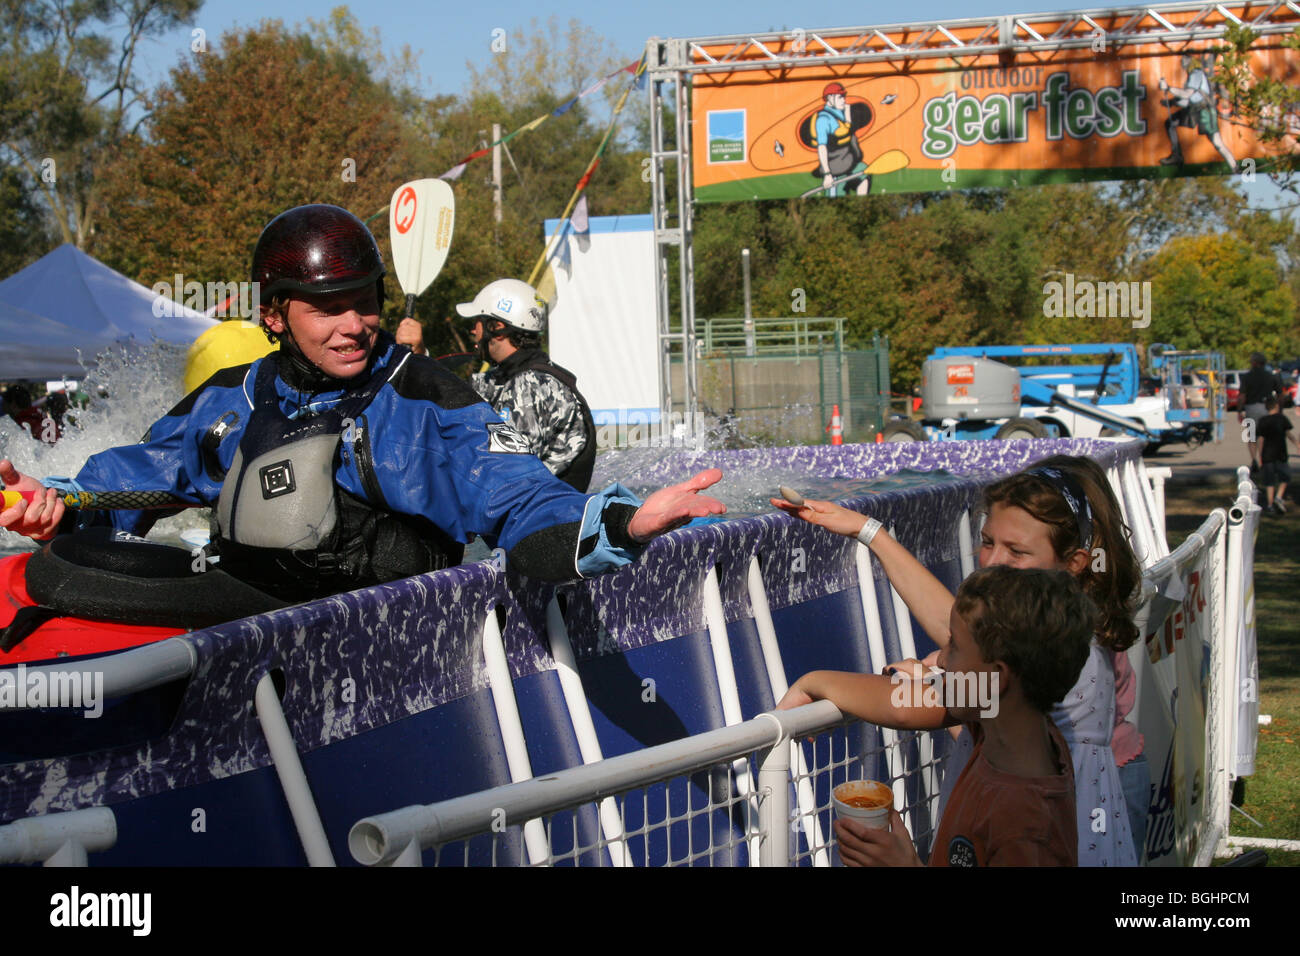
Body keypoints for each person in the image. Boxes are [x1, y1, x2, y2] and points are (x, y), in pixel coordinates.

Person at [0, 204, 723, 604]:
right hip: (252, 607)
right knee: (65, 564)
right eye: (326, 309)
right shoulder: (234, 396)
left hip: (375, 631)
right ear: (276, 315)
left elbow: (523, 500)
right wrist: (58, 501)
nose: (354, 325)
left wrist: (623, 524)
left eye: (363, 304)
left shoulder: (425, 398)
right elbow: (144, 476)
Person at [770, 453, 1142, 866]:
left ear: (1073, 563)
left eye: (1016, 551)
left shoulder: (1026, 824)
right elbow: (963, 635)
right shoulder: (1048, 654)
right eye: (987, 541)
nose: (994, 561)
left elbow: (913, 705)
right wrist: (869, 530)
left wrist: (813, 681)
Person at [778, 565, 1093, 866]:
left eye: (954, 646)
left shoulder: (1028, 831)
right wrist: (813, 682)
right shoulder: (1010, 727)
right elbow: (897, 703)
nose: (941, 659)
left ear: (996, 678)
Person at [396, 280, 597, 492]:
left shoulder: (533, 386)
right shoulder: (503, 378)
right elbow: (452, 401)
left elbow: (505, 474)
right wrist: (419, 356)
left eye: (478, 323)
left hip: (540, 518)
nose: (473, 330)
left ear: (497, 328)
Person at [1158, 54, 1237, 172]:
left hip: (1204, 111)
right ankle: (1176, 155)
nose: (1183, 65)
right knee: (1170, 123)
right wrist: (1172, 103)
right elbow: (1188, 100)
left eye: (1185, 62)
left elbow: (1187, 94)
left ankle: (1235, 168)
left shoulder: (1196, 74)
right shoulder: (1191, 77)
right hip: (1194, 110)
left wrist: (1168, 88)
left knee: (1217, 142)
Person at [813, 82, 870, 197]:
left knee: (865, 175)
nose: (843, 100)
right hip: (836, 168)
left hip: (850, 162)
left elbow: (847, 130)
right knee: (838, 195)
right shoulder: (824, 120)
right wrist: (827, 174)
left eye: (844, 97)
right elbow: (822, 147)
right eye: (840, 97)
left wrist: (848, 114)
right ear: (830, 98)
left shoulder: (841, 113)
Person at [1240, 352, 1285, 472]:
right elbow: (1280, 395)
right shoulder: (1270, 376)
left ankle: (1253, 459)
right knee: (1264, 435)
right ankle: (1262, 460)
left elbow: (1242, 396)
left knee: (1251, 436)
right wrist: (1280, 410)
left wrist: (1239, 410)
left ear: (1254, 363)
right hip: (1267, 408)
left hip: (1250, 408)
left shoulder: (1247, 377)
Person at [1257, 396, 1297, 514]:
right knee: (1285, 476)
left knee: (1269, 481)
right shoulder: (1282, 418)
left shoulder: (1262, 421)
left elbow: (1260, 439)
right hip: (1280, 452)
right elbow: (1288, 433)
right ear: (1277, 406)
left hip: (1267, 454)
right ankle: (1278, 497)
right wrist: (1296, 443)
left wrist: (1259, 455)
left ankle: (1270, 504)